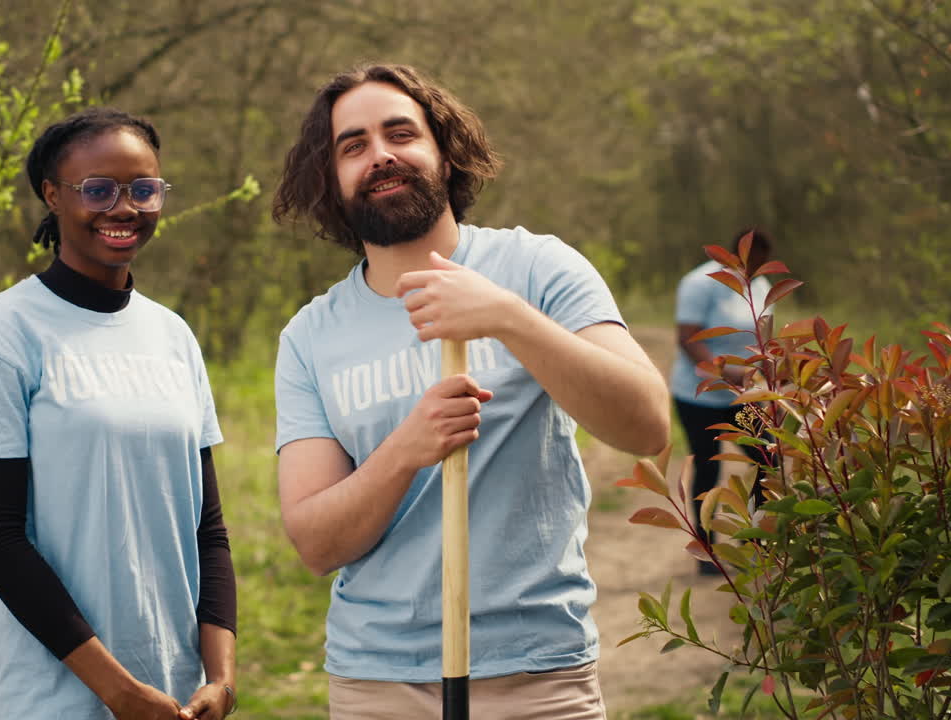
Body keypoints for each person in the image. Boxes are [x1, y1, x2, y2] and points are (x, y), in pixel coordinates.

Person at [270, 64, 671, 718]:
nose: (381, 155)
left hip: (539, 673)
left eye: (401, 133)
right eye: (354, 145)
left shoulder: (537, 269)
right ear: (332, 182)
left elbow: (647, 427)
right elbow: (316, 542)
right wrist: (406, 449)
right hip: (379, 683)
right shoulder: (311, 337)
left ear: (445, 153)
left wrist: (508, 318)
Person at [0, 108, 237, 720]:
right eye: (98, 190)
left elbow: (206, 527)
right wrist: (119, 693)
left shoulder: (173, 335)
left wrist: (222, 676)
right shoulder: (5, 332)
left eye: (143, 189)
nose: (125, 207)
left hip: (177, 695)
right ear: (53, 196)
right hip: (56, 700)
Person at [671, 227, 773, 574]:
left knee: (767, 459)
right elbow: (687, 339)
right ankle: (707, 551)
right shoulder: (700, 283)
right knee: (708, 467)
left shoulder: (760, 285)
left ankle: (755, 539)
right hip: (698, 395)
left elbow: (763, 336)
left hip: (744, 394)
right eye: (752, 255)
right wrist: (723, 373)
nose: (757, 263)